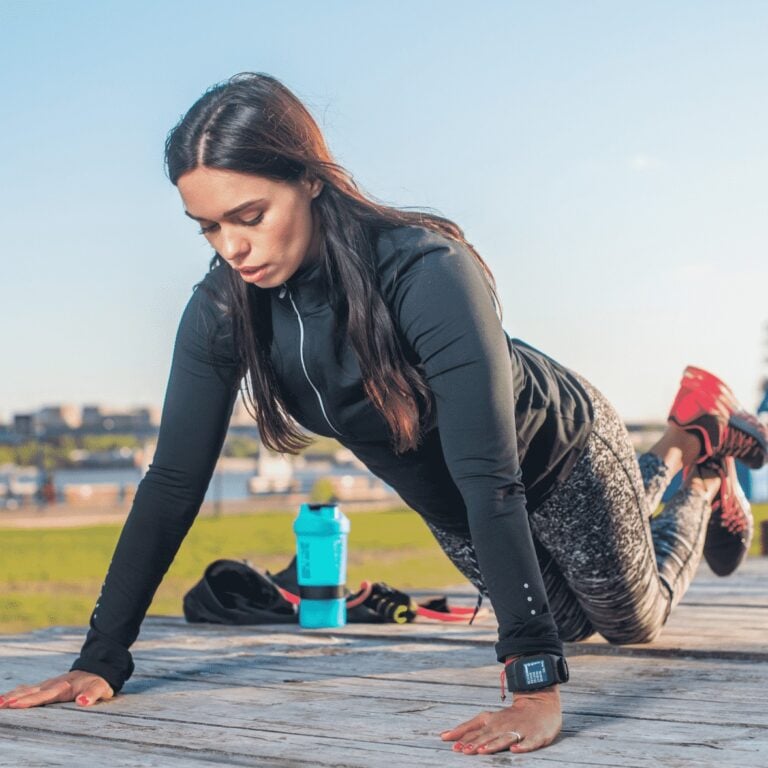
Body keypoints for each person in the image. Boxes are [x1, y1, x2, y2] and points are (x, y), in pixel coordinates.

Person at [1, 72, 766, 756]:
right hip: (461, 506)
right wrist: (101, 658)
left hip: (553, 455)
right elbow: (171, 483)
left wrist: (534, 687)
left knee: (631, 624)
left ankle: (690, 453)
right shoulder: (221, 309)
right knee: (565, 625)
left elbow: (491, 475)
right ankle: (691, 447)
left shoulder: (425, 269)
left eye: (249, 214)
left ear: (308, 178)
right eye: (208, 227)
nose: (231, 246)